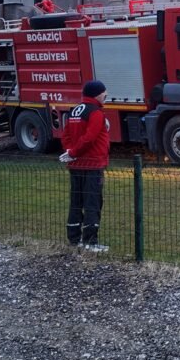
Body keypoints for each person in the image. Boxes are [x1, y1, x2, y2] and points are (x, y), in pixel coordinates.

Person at [59, 80, 110, 252]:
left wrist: (70, 152)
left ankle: (74, 238)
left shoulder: (75, 110)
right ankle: (90, 241)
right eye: (104, 92)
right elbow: (90, 137)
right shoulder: (95, 112)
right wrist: (74, 153)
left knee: (76, 201)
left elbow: (65, 134)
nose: (106, 95)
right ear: (96, 94)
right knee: (92, 201)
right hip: (92, 164)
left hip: (76, 165)